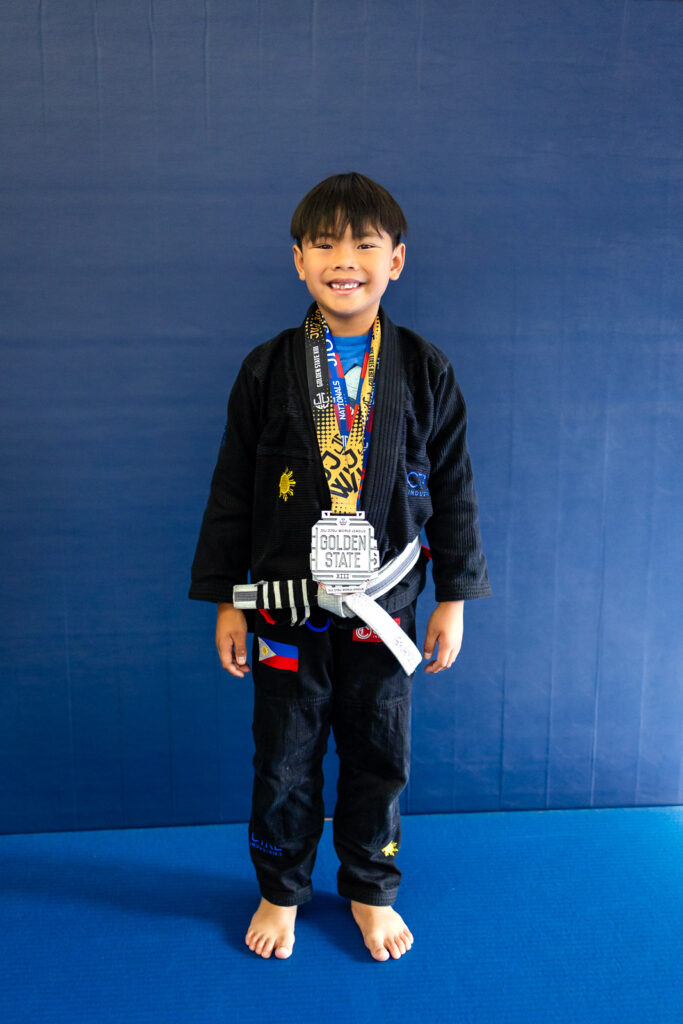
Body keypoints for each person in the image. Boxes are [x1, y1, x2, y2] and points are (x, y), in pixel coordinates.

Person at [189, 172, 490, 962]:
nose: (343, 258)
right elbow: (231, 491)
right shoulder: (267, 368)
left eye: (364, 243)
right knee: (283, 754)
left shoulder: (425, 369)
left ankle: (367, 885)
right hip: (285, 609)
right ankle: (279, 886)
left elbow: (454, 489)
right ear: (297, 261)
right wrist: (227, 601)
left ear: (396, 260)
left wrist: (454, 595)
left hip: (386, 609)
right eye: (324, 243)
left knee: (378, 751)